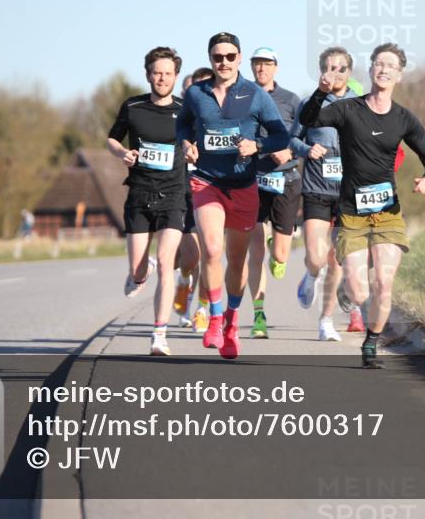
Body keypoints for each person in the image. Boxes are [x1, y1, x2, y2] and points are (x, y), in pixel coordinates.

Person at [299, 43, 425, 368]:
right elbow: (310, 119)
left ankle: (372, 342)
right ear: (372, 69)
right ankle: (350, 294)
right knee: (361, 292)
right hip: (352, 213)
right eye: (379, 63)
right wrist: (320, 93)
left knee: (384, 283)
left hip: (387, 212)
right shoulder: (348, 109)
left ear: (399, 75)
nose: (384, 69)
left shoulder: (404, 118)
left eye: (391, 65)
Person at [176, 32, 290, 360]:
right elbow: (182, 125)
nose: (223, 62)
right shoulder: (196, 93)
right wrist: (186, 144)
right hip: (207, 182)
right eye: (217, 57)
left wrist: (258, 145)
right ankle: (213, 317)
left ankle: (231, 320)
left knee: (237, 260)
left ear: (239, 58)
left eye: (229, 56)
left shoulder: (254, 94)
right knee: (212, 249)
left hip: (243, 185)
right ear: (210, 59)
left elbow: (280, 133)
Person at [106, 46, 187, 356]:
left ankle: (159, 334)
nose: (162, 78)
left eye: (167, 73)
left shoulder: (185, 109)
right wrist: (121, 153)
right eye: (157, 72)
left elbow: (196, 142)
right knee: (139, 273)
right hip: (140, 193)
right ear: (148, 74)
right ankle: (141, 270)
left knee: (168, 263)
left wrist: (193, 151)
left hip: (174, 194)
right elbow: (113, 137)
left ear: (176, 76)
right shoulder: (133, 106)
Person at [289, 46, 364, 341]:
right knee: (318, 258)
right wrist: (308, 149)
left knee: (338, 261)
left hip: (347, 194)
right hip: (317, 189)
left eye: (341, 68)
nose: (334, 73)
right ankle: (310, 274)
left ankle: (326, 320)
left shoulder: (360, 106)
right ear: (321, 72)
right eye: (329, 67)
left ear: (349, 72)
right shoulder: (310, 104)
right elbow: (292, 140)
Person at [244, 47, 301, 339]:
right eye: (257, 64)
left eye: (267, 64)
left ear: (276, 68)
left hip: (285, 179)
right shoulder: (241, 97)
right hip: (253, 179)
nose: (261, 69)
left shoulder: (291, 100)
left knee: (279, 254)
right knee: (255, 251)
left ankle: (278, 249)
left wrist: (289, 150)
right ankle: (258, 314)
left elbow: (304, 136)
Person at [173, 67, 215, 332]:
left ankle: (201, 309)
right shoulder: (178, 119)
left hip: (211, 191)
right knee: (191, 258)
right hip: (183, 193)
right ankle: (183, 281)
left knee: (208, 254)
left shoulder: (215, 118)